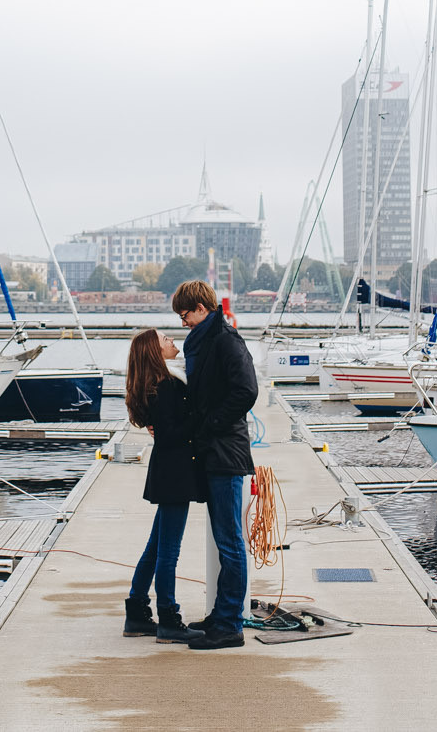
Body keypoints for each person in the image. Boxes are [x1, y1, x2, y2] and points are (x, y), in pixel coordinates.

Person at [174, 278, 257, 650]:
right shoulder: (206, 339)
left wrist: (211, 425)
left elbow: (246, 391)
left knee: (229, 541)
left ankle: (229, 624)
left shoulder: (225, 339)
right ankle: (220, 616)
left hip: (225, 450)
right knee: (224, 539)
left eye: (185, 313)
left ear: (201, 308)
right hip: (214, 449)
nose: (182, 322)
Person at [121, 328, 207, 643]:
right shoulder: (166, 386)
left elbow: (165, 430)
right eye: (164, 339)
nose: (171, 340)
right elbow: (173, 433)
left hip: (168, 471)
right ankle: (169, 619)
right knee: (168, 550)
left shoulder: (156, 385)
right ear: (155, 353)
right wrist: (200, 416)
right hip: (176, 472)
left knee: (156, 546)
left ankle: (137, 612)